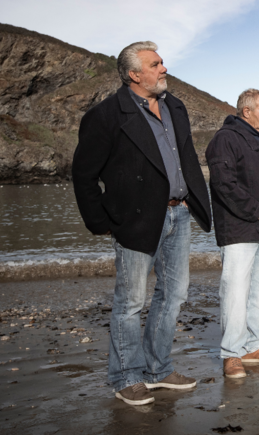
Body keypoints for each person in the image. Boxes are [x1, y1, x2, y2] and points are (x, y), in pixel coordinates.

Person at [72, 41, 211, 405]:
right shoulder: (105, 116)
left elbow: (187, 161)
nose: (164, 68)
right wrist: (100, 220)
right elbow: (83, 175)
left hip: (178, 213)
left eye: (162, 62)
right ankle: (125, 377)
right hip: (135, 218)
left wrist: (199, 201)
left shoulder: (175, 107)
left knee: (174, 295)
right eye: (155, 64)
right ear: (135, 74)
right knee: (131, 301)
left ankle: (157, 370)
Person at [206, 89, 259, 378]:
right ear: (247, 111)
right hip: (241, 228)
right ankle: (231, 353)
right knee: (235, 291)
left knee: (258, 292)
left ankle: (253, 345)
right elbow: (224, 184)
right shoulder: (226, 139)